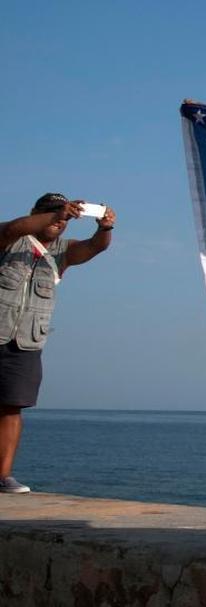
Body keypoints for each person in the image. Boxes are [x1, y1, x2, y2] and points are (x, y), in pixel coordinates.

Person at [0, 193, 116, 493]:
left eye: (64, 215)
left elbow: (94, 248)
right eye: (52, 212)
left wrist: (104, 228)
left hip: (26, 342)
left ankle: (2, 476)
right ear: (35, 212)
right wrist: (55, 213)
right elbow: (12, 229)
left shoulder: (63, 252)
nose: (60, 219)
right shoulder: (11, 238)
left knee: (12, 408)